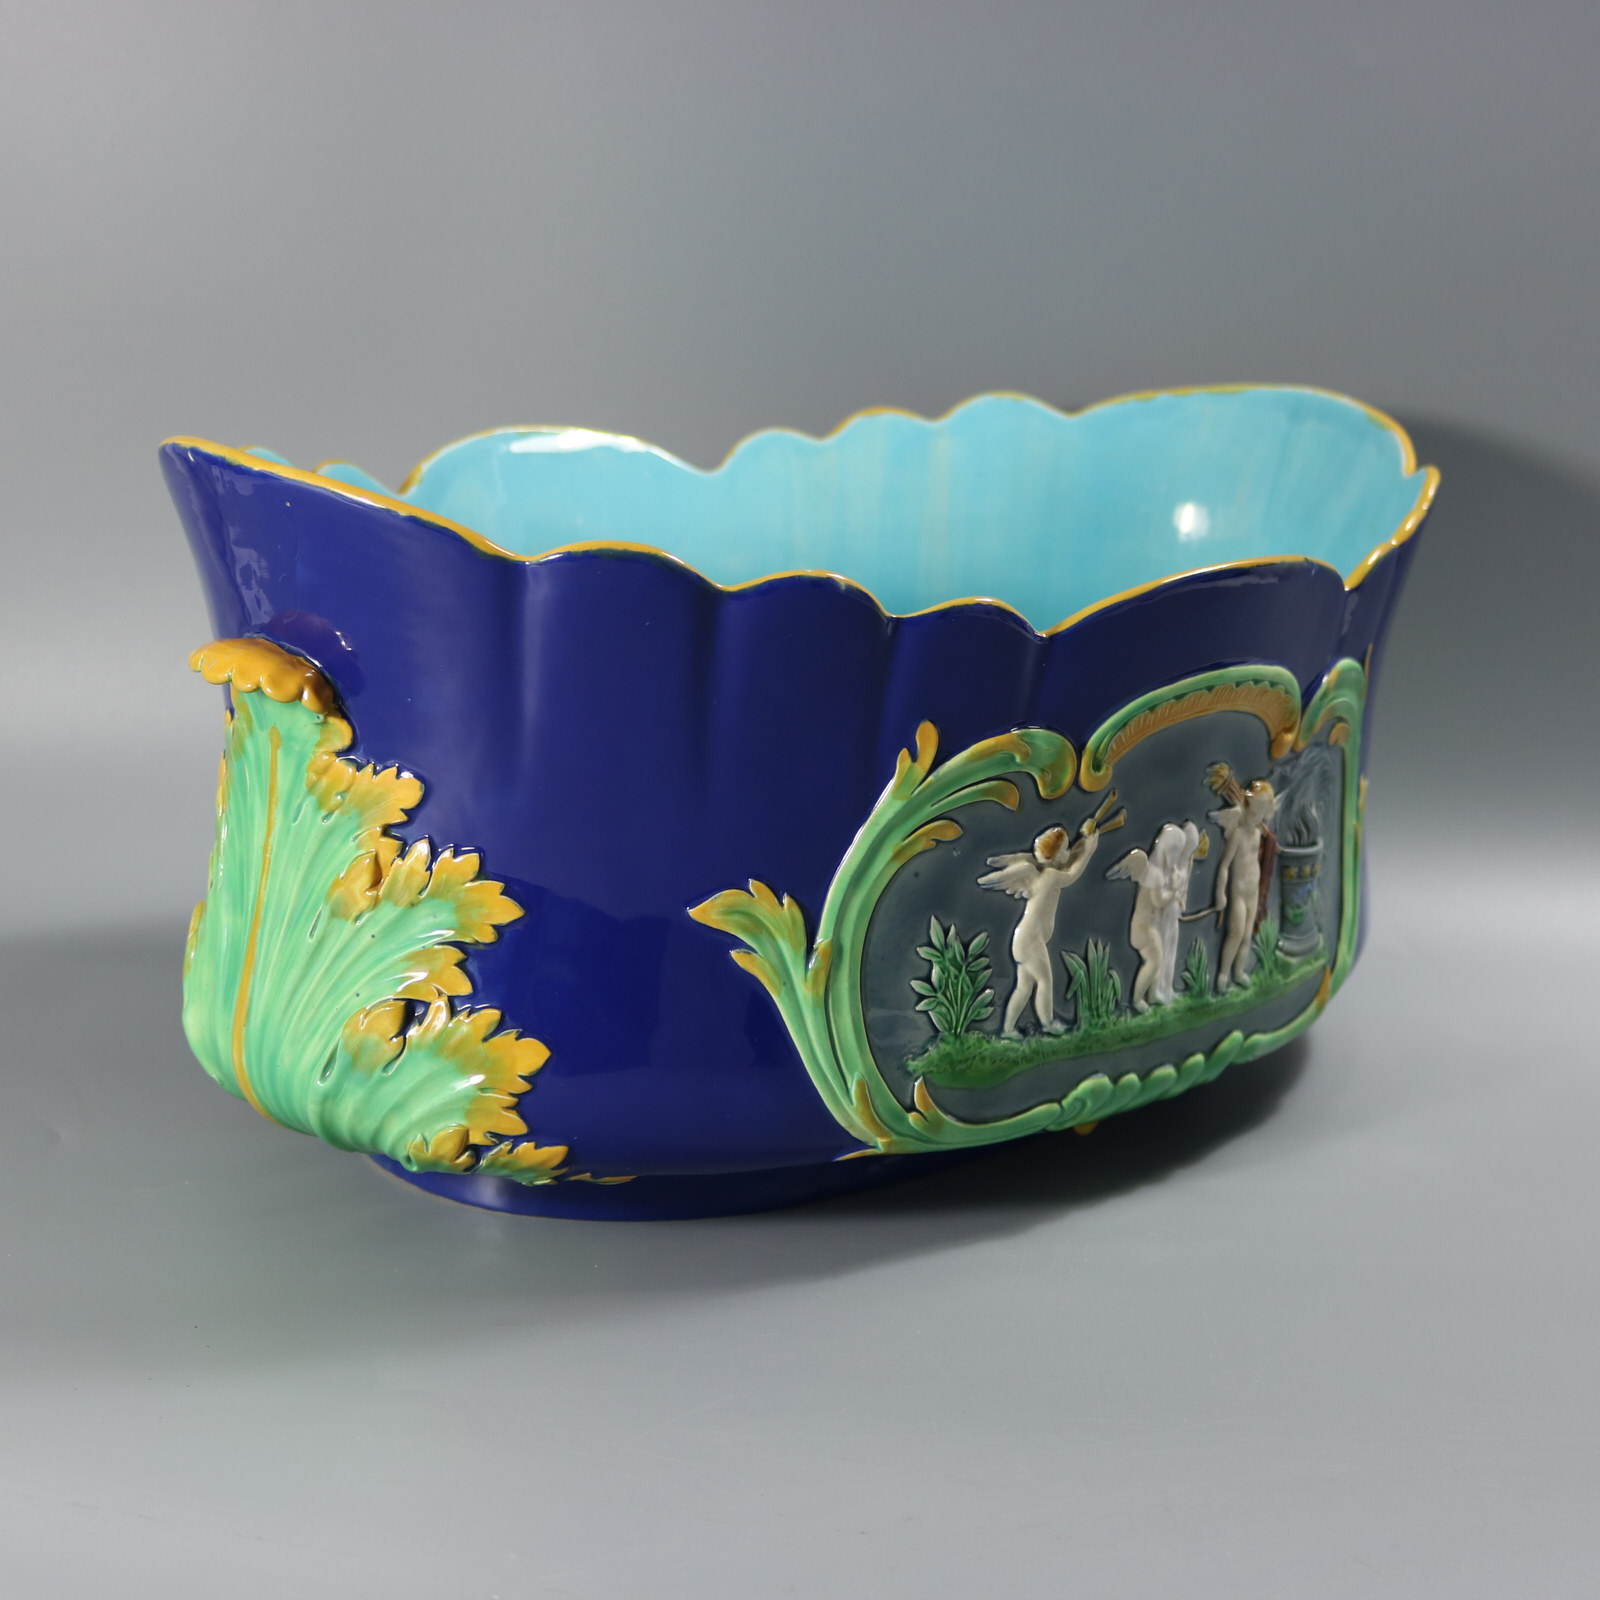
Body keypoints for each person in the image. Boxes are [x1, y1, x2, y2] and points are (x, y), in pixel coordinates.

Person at [979, 794, 1123, 1036]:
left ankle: (1008, 1029)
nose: (1068, 851)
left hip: (1024, 941)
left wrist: (1084, 840)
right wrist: (1089, 849)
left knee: (1024, 986)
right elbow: (1072, 873)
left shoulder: (1044, 871)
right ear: (1056, 855)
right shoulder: (1050, 877)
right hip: (1030, 941)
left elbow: (1070, 859)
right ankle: (1047, 1024)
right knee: (1044, 981)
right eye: (1065, 848)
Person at [1207, 768, 1279, 991]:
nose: (1255, 818)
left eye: (1260, 815)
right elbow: (1225, 865)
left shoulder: (1257, 834)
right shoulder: (1238, 834)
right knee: (1236, 933)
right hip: (1238, 893)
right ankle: (1223, 974)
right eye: (1253, 813)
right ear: (1247, 808)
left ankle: (1238, 972)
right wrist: (1220, 893)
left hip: (1252, 892)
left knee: (1247, 935)